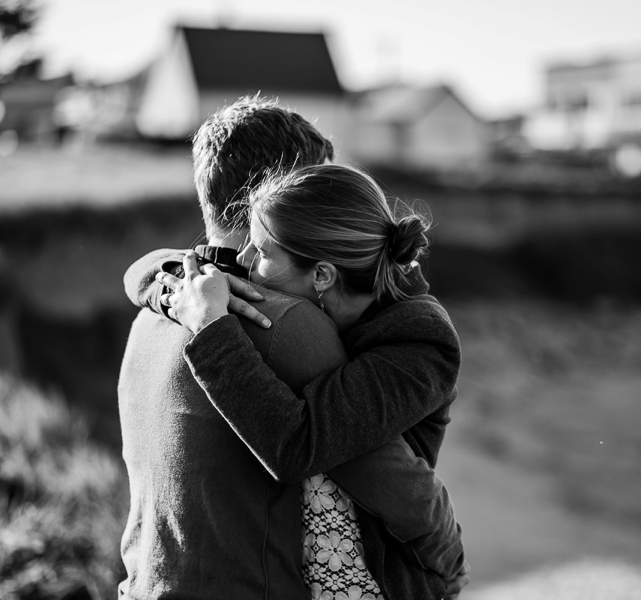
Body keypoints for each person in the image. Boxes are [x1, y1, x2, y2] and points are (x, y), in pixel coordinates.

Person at [118, 97, 466, 600]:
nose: (329, 195)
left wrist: (160, 277)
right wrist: (447, 559)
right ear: (283, 195)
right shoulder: (289, 325)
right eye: (319, 185)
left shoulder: (156, 312)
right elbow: (394, 483)